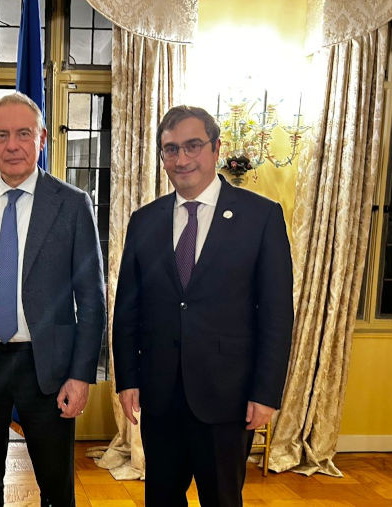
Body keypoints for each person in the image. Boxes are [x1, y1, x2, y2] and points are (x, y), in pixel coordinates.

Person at [112, 105, 294, 506]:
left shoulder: (260, 217)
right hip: (160, 396)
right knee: (160, 499)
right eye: (171, 149)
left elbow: (276, 315)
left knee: (222, 499)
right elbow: (127, 310)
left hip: (227, 398)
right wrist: (127, 379)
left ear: (216, 148)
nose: (182, 159)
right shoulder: (144, 221)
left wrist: (266, 392)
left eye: (193, 145)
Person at [0, 92, 106, 507]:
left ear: (42, 138)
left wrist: (80, 375)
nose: (12, 145)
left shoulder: (72, 205)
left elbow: (92, 300)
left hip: (47, 367)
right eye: (2, 135)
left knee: (55, 484)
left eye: (23, 134)